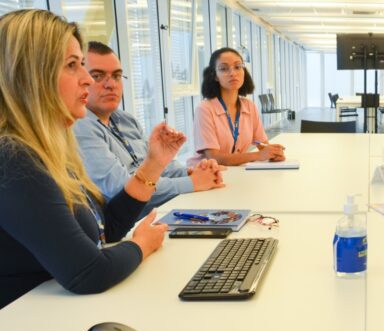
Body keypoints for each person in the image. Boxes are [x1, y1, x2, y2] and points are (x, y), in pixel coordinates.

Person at [0, 9, 181, 309]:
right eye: (73, 66)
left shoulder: (49, 147)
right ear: (30, 75)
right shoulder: (13, 158)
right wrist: (141, 245)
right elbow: (87, 272)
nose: (87, 80)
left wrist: (154, 163)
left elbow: (104, 228)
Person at [73, 41, 223, 215]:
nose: (111, 84)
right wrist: (192, 182)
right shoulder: (81, 126)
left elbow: (157, 167)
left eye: (116, 76)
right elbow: (121, 187)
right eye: (98, 76)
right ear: (81, 79)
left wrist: (193, 172)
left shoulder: (125, 120)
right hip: (131, 226)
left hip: (161, 211)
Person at [187, 47, 285, 167]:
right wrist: (258, 156)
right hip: (206, 174)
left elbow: (261, 143)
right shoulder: (205, 109)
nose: (232, 73)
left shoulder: (249, 106)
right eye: (224, 69)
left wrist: (273, 153)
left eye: (238, 67)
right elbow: (214, 157)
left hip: (234, 172)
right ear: (215, 76)